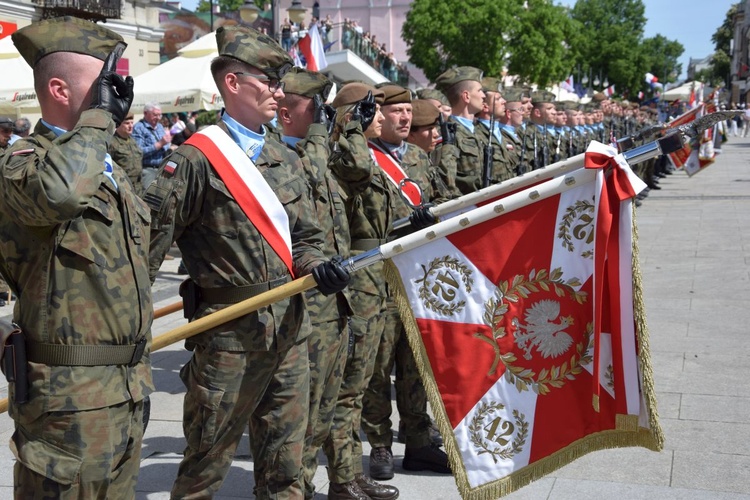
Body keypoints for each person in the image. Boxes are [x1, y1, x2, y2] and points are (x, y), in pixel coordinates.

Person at [143, 25, 350, 499]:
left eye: (281, 84)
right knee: (204, 467)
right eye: (270, 82)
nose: (279, 94)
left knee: (287, 467)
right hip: (228, 337)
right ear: (232, 83)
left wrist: (318, 264)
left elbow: (306, 236)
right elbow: (149, 249)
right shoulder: (195, 159)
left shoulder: (283, 155)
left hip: (289, 333)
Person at [0, 16, 153, 497]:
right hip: (68, 399)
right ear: (60, 90)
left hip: (127, 387)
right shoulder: (22, 161)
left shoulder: (106, 167)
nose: (115, 91)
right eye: (102, 81)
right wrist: (98, 121)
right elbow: (61, 194)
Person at [362, 84, 448, 482]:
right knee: (378, 365)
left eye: (407, 110)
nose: (404, 117)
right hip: (376, 277)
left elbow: (443, 202)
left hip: (417, 274)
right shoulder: (362, 157)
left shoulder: (417, 157)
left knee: (416, 362)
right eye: (395, 110)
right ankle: (379, 443)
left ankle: (418, 441)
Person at [433, 66, 486, 196]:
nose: (484, 96)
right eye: (479, 91)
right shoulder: (447, 132)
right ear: (466, 96)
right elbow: (444, 179)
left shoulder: (478, 131)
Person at [132, 102, 171, 189]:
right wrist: (159, 144)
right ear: (145, 113)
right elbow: (138, 152)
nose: (158, 118)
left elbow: (165, 146)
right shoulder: (138, 128)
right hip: (148, 170)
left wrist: (167, 145)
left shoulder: (160, 126)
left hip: (163, 169)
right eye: (155, 115)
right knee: (149, 196)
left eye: (159, 115)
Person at [109, 111, 144, 196]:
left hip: (138, 188)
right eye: (127, 123)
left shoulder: (133, 141)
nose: (131, 126)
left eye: (132, 123)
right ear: (118, 125)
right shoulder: (112, 143)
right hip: (122, 187)